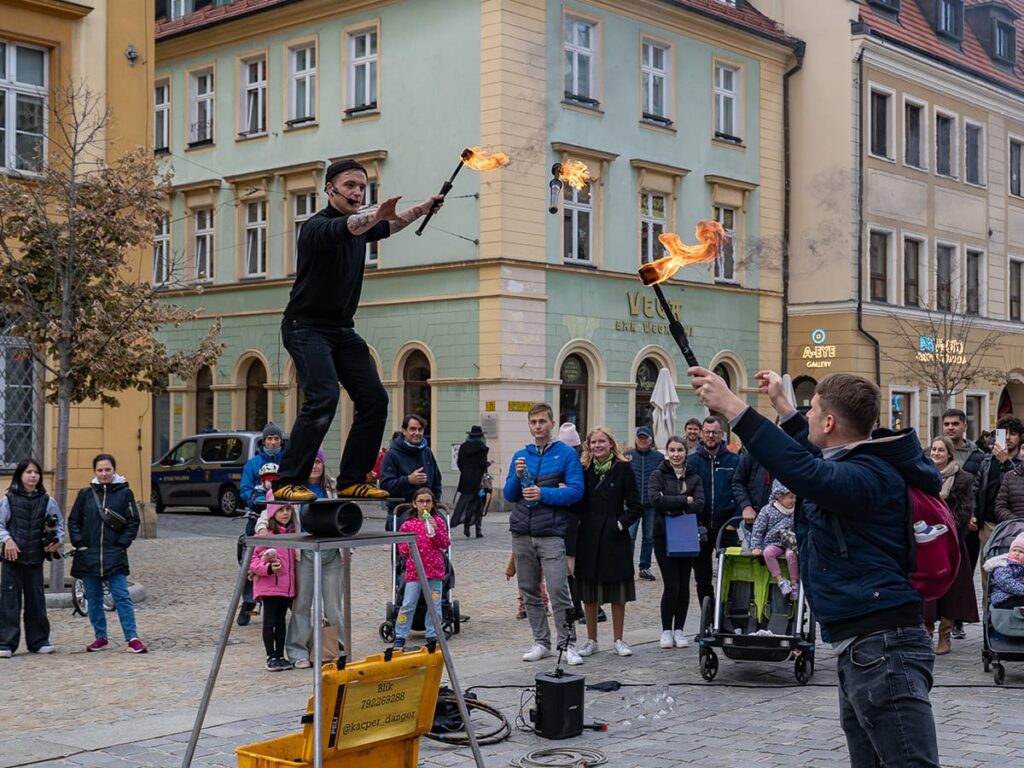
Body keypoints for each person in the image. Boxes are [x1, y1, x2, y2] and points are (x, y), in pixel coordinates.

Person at [691, 366, 942, 768]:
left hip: (883, 649)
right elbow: (813, 461)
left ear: (828, 423)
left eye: (812, 410)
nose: (807, 415)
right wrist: (784, 408)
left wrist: (734, 408)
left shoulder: (868, 475)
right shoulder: (860, 463)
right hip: (864, 647)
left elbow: (807, 472)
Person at [272, 158, 444, 503]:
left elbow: (389, 226)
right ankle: (287, 480)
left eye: (362, 187)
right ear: (330, 189)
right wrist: (376, 215)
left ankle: (352, 479)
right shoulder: (316, 227)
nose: (357, 192)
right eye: (350, 185)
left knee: (375, 399)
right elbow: (350, 226)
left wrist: (422, 209)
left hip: (341, 330)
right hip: (304, 327)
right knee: (323, 397)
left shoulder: (362, 227)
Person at [504, 403, 584, 664]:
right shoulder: (521, 455)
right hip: (522, 532)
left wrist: (543, 493)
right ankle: (541, 641)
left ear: (552, 424)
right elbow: (509, 495)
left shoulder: (566, 454)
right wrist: (517, 476)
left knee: (559, 590)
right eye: (533, 422)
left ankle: (567, 644)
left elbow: (576, 492)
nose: (537, 426)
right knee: (529, 591)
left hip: (551, 532)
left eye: (542, 421)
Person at [263, 449, 345, 669]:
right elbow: (268, 511)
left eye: (318, 462)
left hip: (331, 551)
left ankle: (338, 650)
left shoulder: (332, 487)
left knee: (333, 606)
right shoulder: (293, 489)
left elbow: (345, 513)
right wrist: (262, 529)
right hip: (304, 551)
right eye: (311, 462)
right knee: (302, 604)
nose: (315, 466)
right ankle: (297, 650)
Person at [572, 426, 641, 660]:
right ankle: (591, 640)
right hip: (588, 536)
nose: (597, 446)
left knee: (617, 591)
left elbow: (636, 506)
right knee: (589, 591)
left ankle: (618, 639)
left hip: (614, 536)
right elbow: (577, 501)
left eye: (602, 441)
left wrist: (620, 524)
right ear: (588, 445)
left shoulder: (623, 468)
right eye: (593, 442)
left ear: (611, 443)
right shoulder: (584, 468)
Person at [69, 454, 146, 654]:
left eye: (107, 470)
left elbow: (133, 521)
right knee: (93, 597)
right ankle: (100, 637)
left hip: (114, 553)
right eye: (100, 470)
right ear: (95, 471)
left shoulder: (125, 493)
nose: (104, 474)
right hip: (89, 554)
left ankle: (132, 637)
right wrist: (79, 543)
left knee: (121, 596)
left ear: (114, 470)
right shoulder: (85, 494)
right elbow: (74, 520)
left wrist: (122, 543)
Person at [0, 460, 63, 657]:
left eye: (36, 472)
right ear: (20, 475)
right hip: (12, 558)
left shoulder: (47, 500)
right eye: (28, 472)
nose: (33, 476)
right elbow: (0, 525)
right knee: (10, 601)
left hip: (35, 557)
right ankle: (6, 643)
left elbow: (59, 525)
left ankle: (39, 641)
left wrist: (57, 541)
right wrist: (7, 540)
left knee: (36, 600)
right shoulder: (8, 499)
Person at [924, 436, 978, 655]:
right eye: (933, 449)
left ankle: (945, 635)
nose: (936, 453)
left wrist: (946, 527)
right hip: (927, 540)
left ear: (949, 454)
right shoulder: (922, 475)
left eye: (940, 450)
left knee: (952, 590)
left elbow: (964, 510)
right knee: (927, 588)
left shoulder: (963, 479)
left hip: (951, 540)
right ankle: (926, 633)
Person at [649, 435, 704, 649]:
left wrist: (671, 506)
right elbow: (656, 500)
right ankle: (666, 630)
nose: (676, 454)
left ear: (686, 452)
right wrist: (683, 500)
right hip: (663, 535)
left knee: (683, 584)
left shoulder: (694, 477)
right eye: (672, 450)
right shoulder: (658, 474)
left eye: (680, 450)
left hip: (686, 534)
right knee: (671, 584)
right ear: (667, 452)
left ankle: (679, 630)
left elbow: (698, 504)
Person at [939, 409, 984, 640]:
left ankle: (957, 621)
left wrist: (975, 515)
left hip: (968, 523)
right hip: (940, 524)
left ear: (965, 426)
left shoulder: (978, 455)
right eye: (947, 423)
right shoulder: (934, 452)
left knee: (964, 573)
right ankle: (936, 619)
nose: (950, 427)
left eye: (955, 423)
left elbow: (980, 489)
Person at [688, 415, 740, 606]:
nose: (711, 436)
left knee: (732, 573)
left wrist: (735, 521)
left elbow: (741, 490)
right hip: (699, 526)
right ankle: (708, 612)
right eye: (707, 432)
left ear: (721, 434)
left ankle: (727, 612)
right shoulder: (692, 461)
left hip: (726, 525)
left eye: (715, 432)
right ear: (702, 433)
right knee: (702, 577)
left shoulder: (734, 460)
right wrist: (693, 521)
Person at [238, 423, 284, 625]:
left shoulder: (287, 461)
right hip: (256, 517)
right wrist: (254, 499)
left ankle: (284, 599)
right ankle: (248, 602)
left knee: (284, 559)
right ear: (264, 441)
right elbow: (245, 488)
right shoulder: (253, 463)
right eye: (269, 439)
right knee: (250, 560)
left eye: (276, 439)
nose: (273, 442)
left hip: (281, 518)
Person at [393, 488, 451, 650]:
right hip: (415, 571)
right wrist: (408, 549)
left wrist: (435, 530)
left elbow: (445, 544)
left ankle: (433, 634)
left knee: (434, 604)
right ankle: (400, 635)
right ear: (414, 504)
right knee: (408, 603)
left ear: (433, 504)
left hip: (435, 570)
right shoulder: (408, 525)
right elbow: (402, 548)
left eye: (428, 501)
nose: (424, 505)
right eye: (421, 501)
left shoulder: (438, 522)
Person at [973, 415, 1024, 596]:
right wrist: (974, 514)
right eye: (1004, 433)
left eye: (1013, 434)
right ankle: (990, 611)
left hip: (1018, 527)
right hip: (990, 525)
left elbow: (1017, 482)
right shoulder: (987, 461)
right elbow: (977, 489)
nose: (1008, 438)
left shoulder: (1020, 461)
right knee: (989, 575)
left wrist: (1006, 462)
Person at [250, 503, 298, 671]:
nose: (285, 513)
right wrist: (269, 569)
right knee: (269, 621)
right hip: (269, 586)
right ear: (272, 513)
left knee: (281, 622)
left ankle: (280, 655)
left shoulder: (293, 534)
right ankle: (270, 656)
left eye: (288, 510)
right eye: (281, 510)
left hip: (285, 587)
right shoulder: (266, 535)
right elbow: (253, 560)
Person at [379, 414, 443, 531]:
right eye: (413, 429)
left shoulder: (427, 452)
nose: (417, 433)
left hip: (426, 512)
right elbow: (385, 486)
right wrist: (408, 480)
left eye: (420, 429)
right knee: (406, 542)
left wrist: (434, 502)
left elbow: (437, 481)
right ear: (404, 431)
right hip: (401, 511)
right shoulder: (392, 454)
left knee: (438, 533)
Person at [749, 480, 799, 597]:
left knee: (791, 555)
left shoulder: (797, 510)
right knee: (768, 552)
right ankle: (780, 580)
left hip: (792, 543)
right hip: (774, 542)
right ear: (780, 497)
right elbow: (758, 529)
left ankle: (794, 582)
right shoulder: (767, 510)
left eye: (795, 497)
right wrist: (755, 546)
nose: (794, 500)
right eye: (790, 497)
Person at [626, 426, 663, 582]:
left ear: (650, 440)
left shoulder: (658, 457)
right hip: (632, 504)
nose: (642, 440)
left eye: (645, 438)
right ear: (636, 439)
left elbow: (663, 478)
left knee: (649, 537)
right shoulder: (627, 456)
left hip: (651, 504)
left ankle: (645, 567)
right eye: (640, 438)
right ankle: (626, 566)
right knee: (629, 536)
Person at [454, 425, 490, 538]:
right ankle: (478, 530)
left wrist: (465, 471)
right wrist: (488, 464)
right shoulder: (483, 448)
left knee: (466, 503)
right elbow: (482, 464)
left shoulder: (463, 447)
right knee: (479, 503)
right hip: (478, 480)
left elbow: (459, 463)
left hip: (466, 479)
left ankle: (466, 525)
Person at [732, 442, 772, 529]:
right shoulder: (753, 453)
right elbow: (738, 482)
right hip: (754, 520)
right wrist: (746, 506)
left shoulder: (790, 454)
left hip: (784, 523)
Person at [983, 532, 1024, 608]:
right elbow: (1005, 582)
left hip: (1018, 595)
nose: (1017, 553)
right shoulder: (1003, 565)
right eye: (1014, 550)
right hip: (1004, 597)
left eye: (1021, 552)